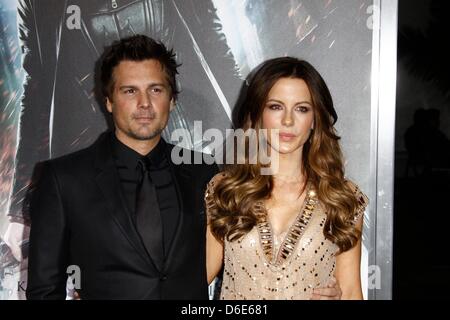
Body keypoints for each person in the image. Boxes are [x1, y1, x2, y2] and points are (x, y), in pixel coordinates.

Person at [26, 35, 218, 299]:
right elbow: (44, 290)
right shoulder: (64, 180)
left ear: (172, 99)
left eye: (155, 89)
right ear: (108, 100)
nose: (144, 103)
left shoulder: (203, 171)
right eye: (130, 91)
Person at [205, 57, 368, 300]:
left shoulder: (342, 198)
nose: (288, 121)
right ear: (258, 114)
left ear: (315, 120)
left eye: (302, 109)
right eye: (276, 107)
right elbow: (196, 280)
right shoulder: (225, 190)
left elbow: (352, 292)